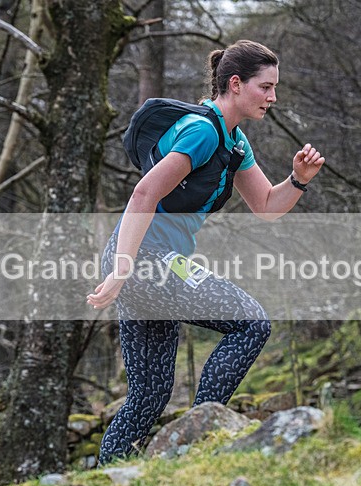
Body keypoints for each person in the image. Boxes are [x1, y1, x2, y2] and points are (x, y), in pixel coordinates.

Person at [86, 40, 325, 464]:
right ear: (236, 84)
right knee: (251, 323)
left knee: (148, 396)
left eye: (274, 88)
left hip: (144, 262)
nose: (273, 97)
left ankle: (106, 480)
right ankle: (202, 441)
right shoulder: (201, 131)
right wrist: (122, 269)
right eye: (265, 87)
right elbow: (144, 193)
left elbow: (267, 207)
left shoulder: (234, 144)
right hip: (143, 258)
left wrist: (299, 179)